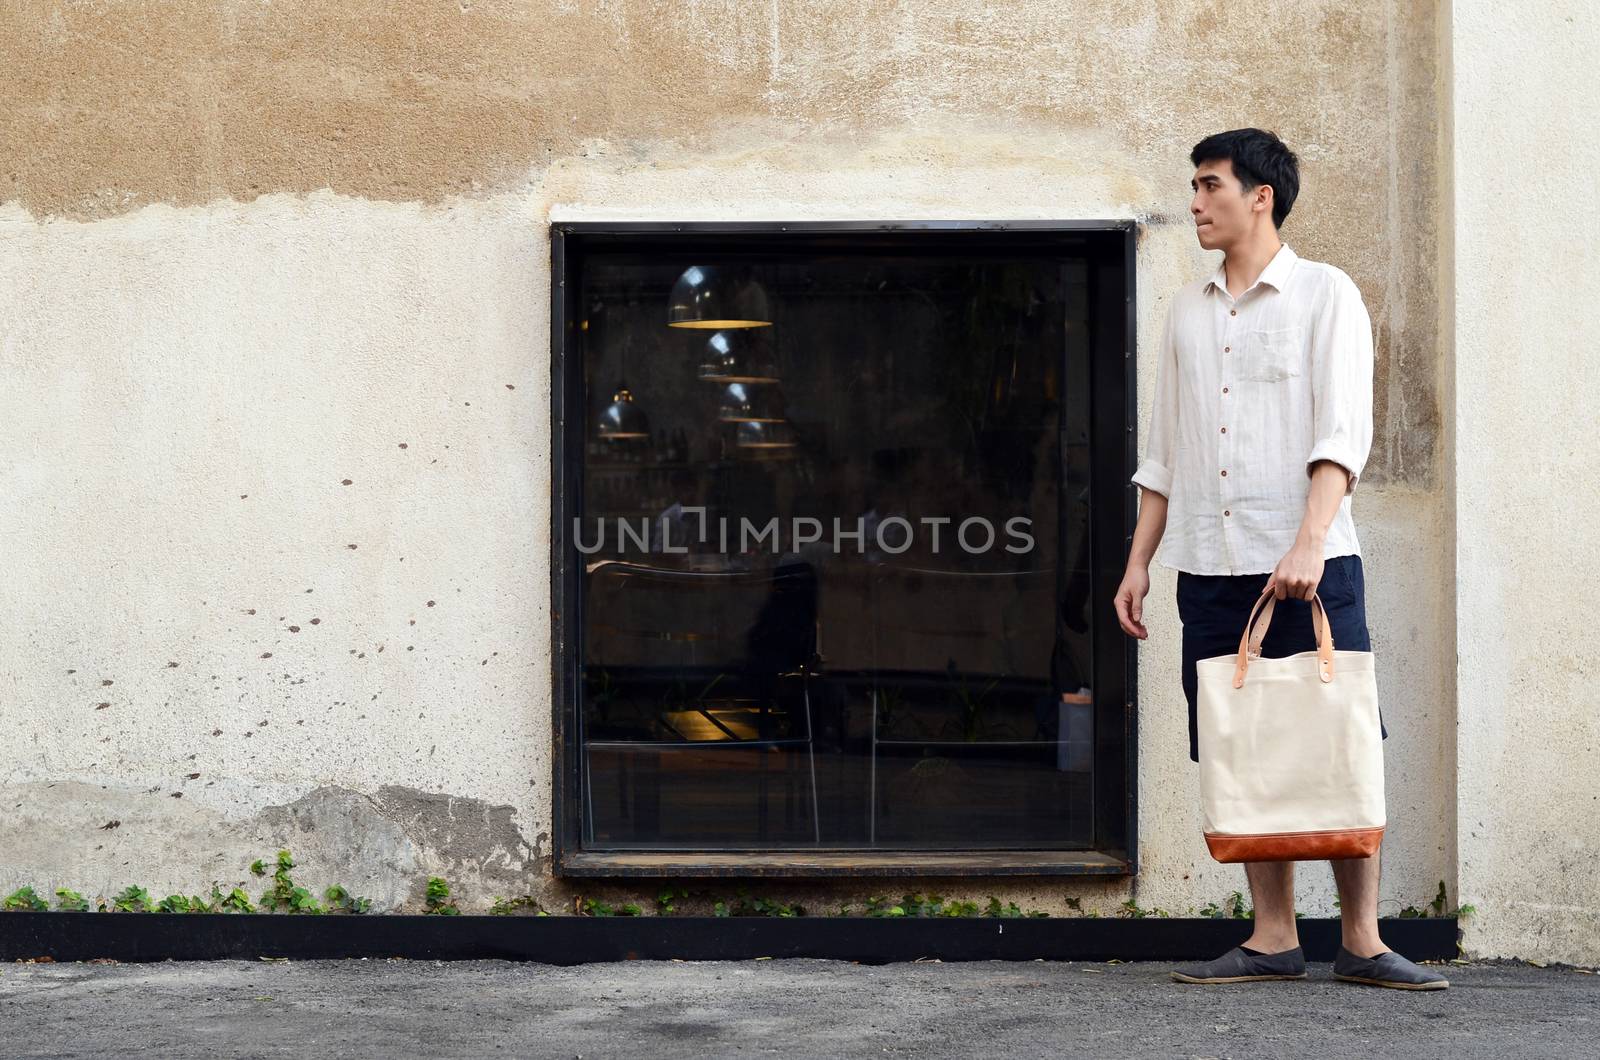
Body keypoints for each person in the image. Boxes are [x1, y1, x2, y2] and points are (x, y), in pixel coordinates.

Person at [1113, 128, 1447, 991]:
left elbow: (1343, 431)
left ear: (1261, 195)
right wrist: (1140, 561)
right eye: (1192, 186)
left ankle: (1365, 941)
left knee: (1338, 738)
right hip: (1212, 565)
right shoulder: (1186, 311)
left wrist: (1307, 539)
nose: (1193, 202)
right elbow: (1166, 451)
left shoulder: (1324, 294)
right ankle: (1272, 938)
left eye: (1208, 185)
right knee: (1243, 744)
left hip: (1312, 559)